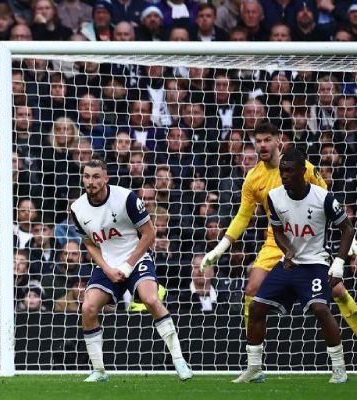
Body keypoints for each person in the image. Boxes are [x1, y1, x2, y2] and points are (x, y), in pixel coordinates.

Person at [202, 122, 357, 335]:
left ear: (278, 140)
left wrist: (352, 240)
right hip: (276, 241)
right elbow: (242, 216)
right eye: (258, 141)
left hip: (308, 240)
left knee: (337, 290)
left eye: (267, 140)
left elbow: (326, 200)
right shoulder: (253, 179)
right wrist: (219, 249)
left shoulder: (305, 168)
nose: (262, 145)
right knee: (251, 290)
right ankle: (253, 358)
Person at [233, 148, 351, 384]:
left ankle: (339, 368)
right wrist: (287, 250)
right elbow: (277, 230)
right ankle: (254, 368)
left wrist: (338, 262)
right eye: (282, 171)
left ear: (302, 172)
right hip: (289, 264)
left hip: (316, 263)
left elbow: (347, 229)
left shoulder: (323, 198)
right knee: (256, 308)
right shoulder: (274, 197)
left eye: (288, 171)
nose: (284, 175)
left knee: (321, 309)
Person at [70, 159, 192, 382]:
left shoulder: (126, 198)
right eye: (87, 176)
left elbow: (149, 233)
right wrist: (106, 268)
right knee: (88, 307)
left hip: (136, 259)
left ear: (106, 178)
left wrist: (127, 265)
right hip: (107, 264)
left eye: (96, 176)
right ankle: (99, 370)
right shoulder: (77, 208)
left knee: (151, 299)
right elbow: (88, 242)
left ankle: (179, 360)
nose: (91, 181)